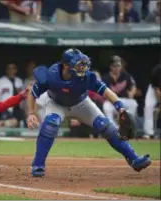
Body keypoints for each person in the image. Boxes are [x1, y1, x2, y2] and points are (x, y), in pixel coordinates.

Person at [26, 48, 151, 177]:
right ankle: (38, 165)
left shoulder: (87, 77)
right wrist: (31, 113)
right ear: (65, 65)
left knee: (106, 126)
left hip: (81, 103)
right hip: (56, 104)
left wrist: (120, 107)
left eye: (83, 64)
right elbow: (32, 93)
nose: (82, 67)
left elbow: (106, 91)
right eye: (78, 64)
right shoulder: (50, 75)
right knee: (50, 125)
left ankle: (134, 159)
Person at [102, 56, 138, 127]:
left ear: (121, 66)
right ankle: (114, 128)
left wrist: (132, 92)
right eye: (114, 66)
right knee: (106, 106)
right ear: (110, 67)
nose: (116, 68)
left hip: (124, 99)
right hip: (112, 101)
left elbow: (133, 86)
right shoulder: (105, 77)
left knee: (134, 104)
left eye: (118, 66)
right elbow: (103, 91)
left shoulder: (126, 75)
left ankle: (126, 125)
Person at [143, 57, 161, 139]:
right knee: (148, 107)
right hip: (154, 90)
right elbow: (156, 89)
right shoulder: (157, 70)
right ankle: (148, 133)